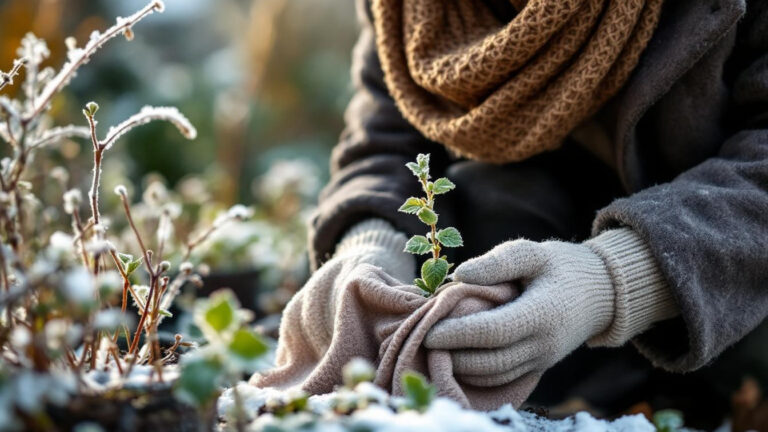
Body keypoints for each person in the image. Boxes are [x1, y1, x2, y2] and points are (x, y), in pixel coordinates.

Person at [301, 0, 768, 427]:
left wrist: (615, 279)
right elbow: (388, 128)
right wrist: (371, 240)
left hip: (728, 307)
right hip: (513, 323)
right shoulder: (412, 9)